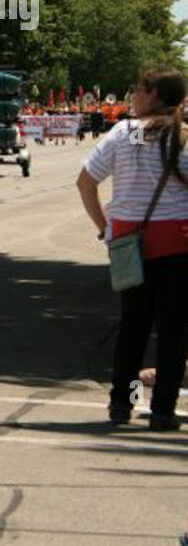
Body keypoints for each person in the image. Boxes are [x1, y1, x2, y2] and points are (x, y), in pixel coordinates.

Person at [77, 64, 188, 430]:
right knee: (173, 331)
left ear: (154, 94)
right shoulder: (184, 138)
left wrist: (104, 227)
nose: (133, 96)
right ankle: (162, 411)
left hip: (128, 243)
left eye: (138, 90)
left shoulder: (122, 134)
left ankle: (121, 406)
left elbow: (85, 182)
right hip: (177, 243)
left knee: (132, 326)